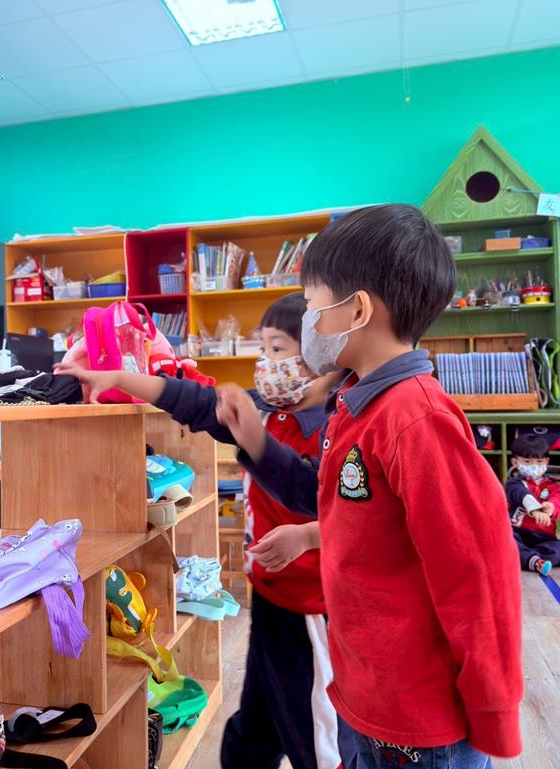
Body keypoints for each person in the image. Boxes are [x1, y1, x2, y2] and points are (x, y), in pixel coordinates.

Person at [215, 204, 522, 768]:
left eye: (311, 303)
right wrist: (309, 533)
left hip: (422, 725)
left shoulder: (416, 419)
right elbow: (368, 520)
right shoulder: (359, 407)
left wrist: (494, 712)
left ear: (356, 310)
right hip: (369, 695)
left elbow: (478, 573)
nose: (308, 323)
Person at [57, 293, 357, 769]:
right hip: (271, 597)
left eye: (278, 350)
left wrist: (306, 536)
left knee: (317, 743)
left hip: (312, 609)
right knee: (252, 733)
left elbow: (350, 514)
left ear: (319, 359)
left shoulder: (336, 429)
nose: (266, 363)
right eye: (263, 348)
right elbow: (193, 402)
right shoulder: (264, 410)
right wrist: (118, 377)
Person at [505, 434, 560, 576]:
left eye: (539, 461)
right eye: (527, 461)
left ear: (546, 461)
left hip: (544, 537)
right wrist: (535, 510)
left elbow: (558, 501)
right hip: (518, 532)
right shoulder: (513, 484)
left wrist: (551, 508)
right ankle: (533, 560)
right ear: (515, 462)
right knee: (506, 540)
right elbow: (522, 495)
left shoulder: (553, 485)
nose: (534, 466)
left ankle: (527, 557)